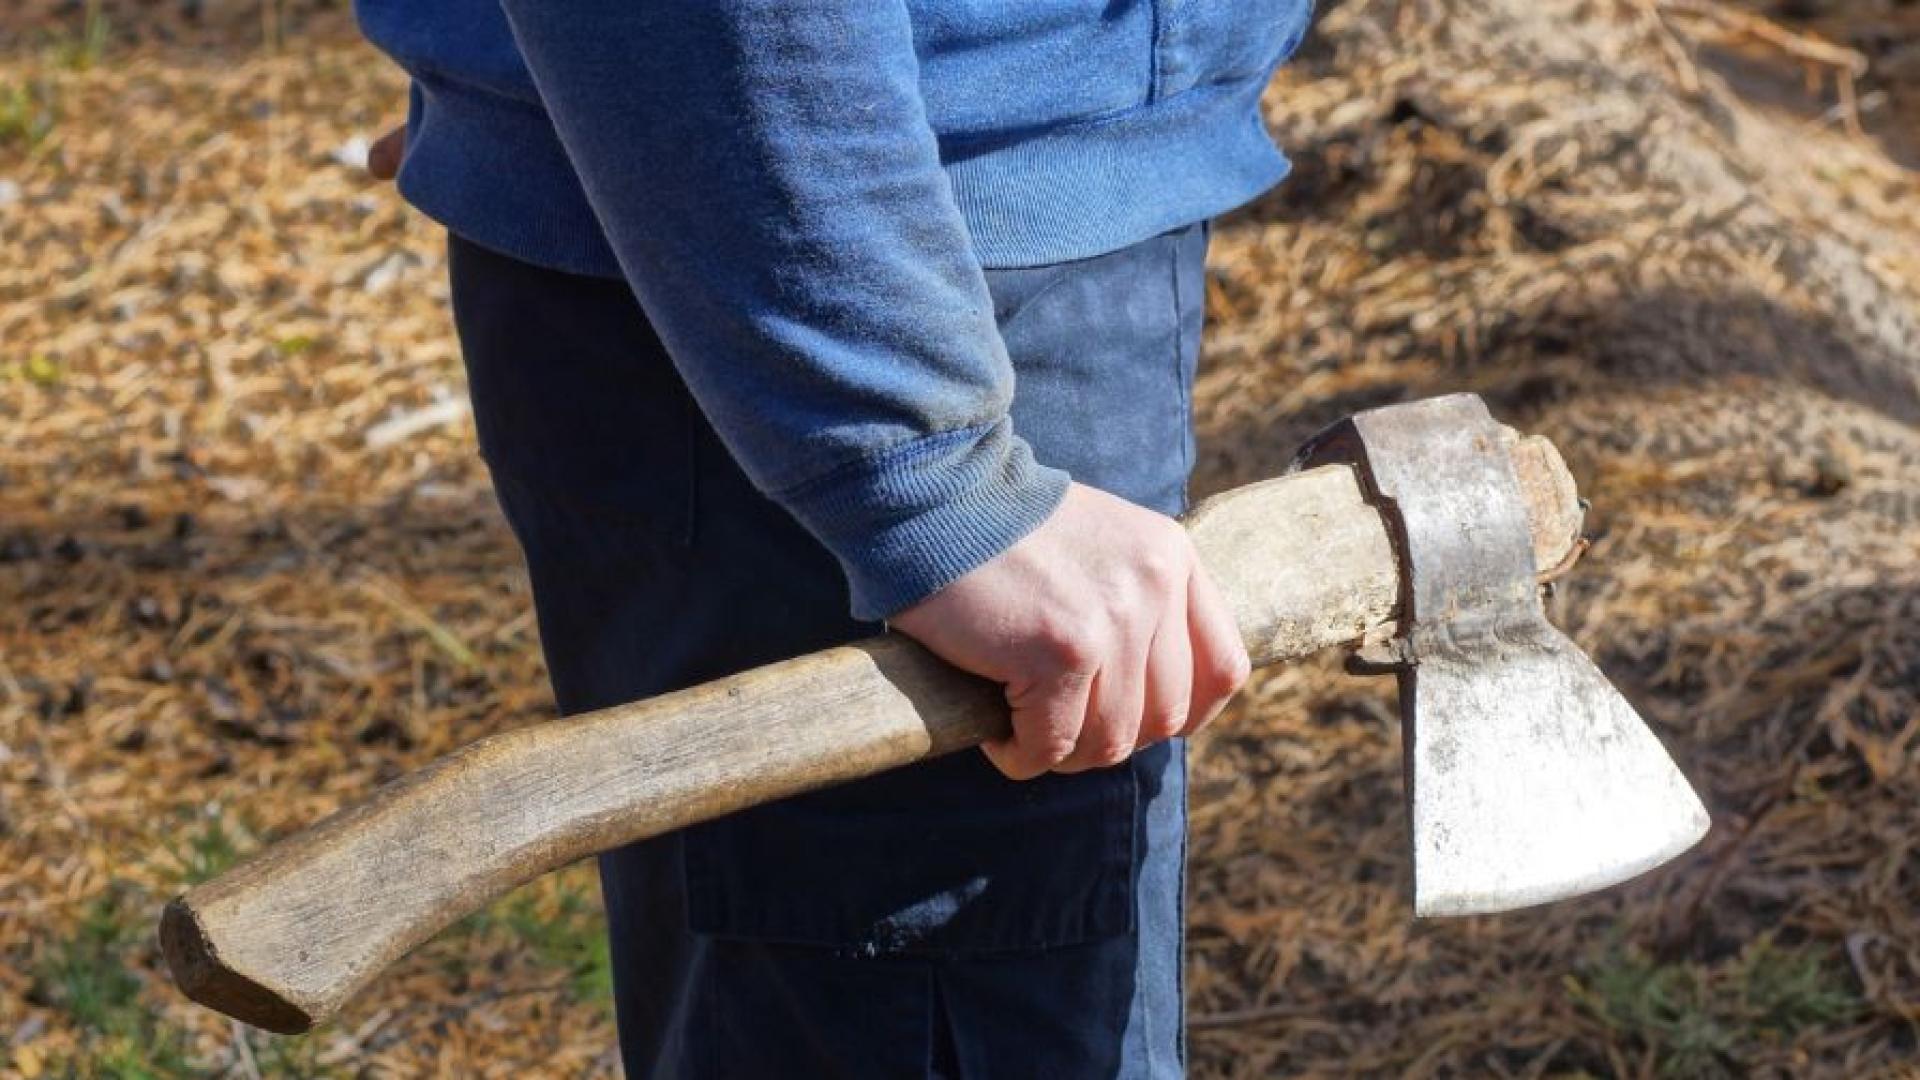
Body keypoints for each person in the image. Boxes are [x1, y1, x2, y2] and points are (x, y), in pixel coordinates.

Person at [355, 3, 1313, 1075]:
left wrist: (587, 103)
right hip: (885, 263)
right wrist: (923, 477)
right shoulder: (898, 403)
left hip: (825, 210)